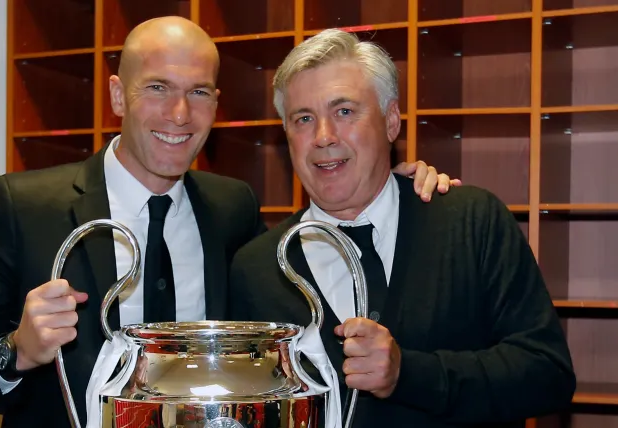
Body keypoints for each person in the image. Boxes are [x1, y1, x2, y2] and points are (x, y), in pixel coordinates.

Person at [0, 17, 456, 426]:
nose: (179, 114)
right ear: (116, 96)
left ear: (216, 103)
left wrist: (397, 184)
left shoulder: (232, 209)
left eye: (198, 92)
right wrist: (17, 350)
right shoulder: (25, 205)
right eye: (157, 88)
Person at [228, 29, 576, 428]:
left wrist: (408, 374)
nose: (323, 137)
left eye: (344, 111)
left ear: (391, 121)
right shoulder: (257, 268)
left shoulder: (471, 221)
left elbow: (548, 374)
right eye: (303, 119)